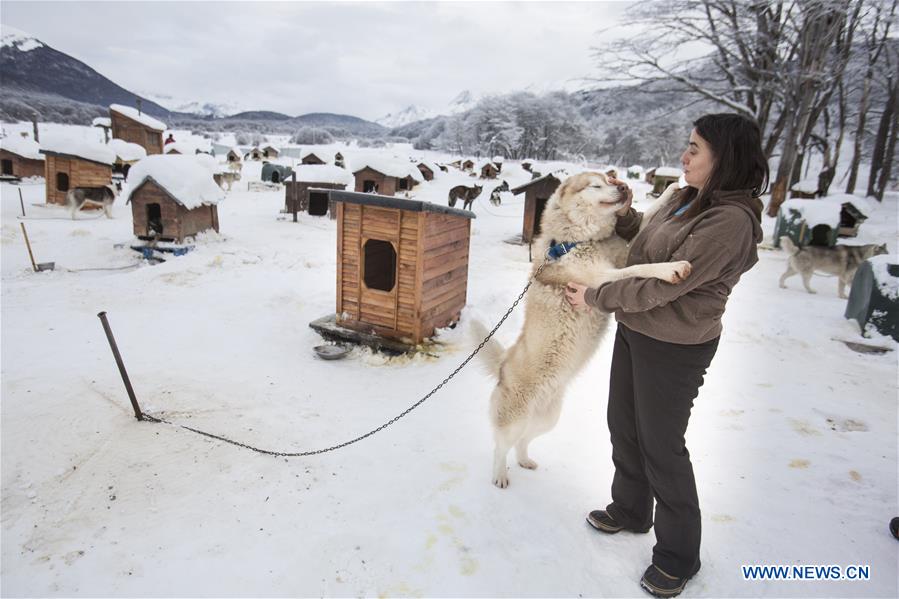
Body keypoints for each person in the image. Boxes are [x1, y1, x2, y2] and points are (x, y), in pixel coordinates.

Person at [565, 113, 769, 598]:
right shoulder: (684, 198)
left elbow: (660, 287)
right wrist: (627, 210)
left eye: (695, 148)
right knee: (624, 424)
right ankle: (632, 510)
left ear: (725, 158)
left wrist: (593, 297)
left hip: (676, 344)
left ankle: (679, 555)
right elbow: (645, 246)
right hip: (636, 329)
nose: (685, 155)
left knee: (662, 445)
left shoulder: (728, 222)